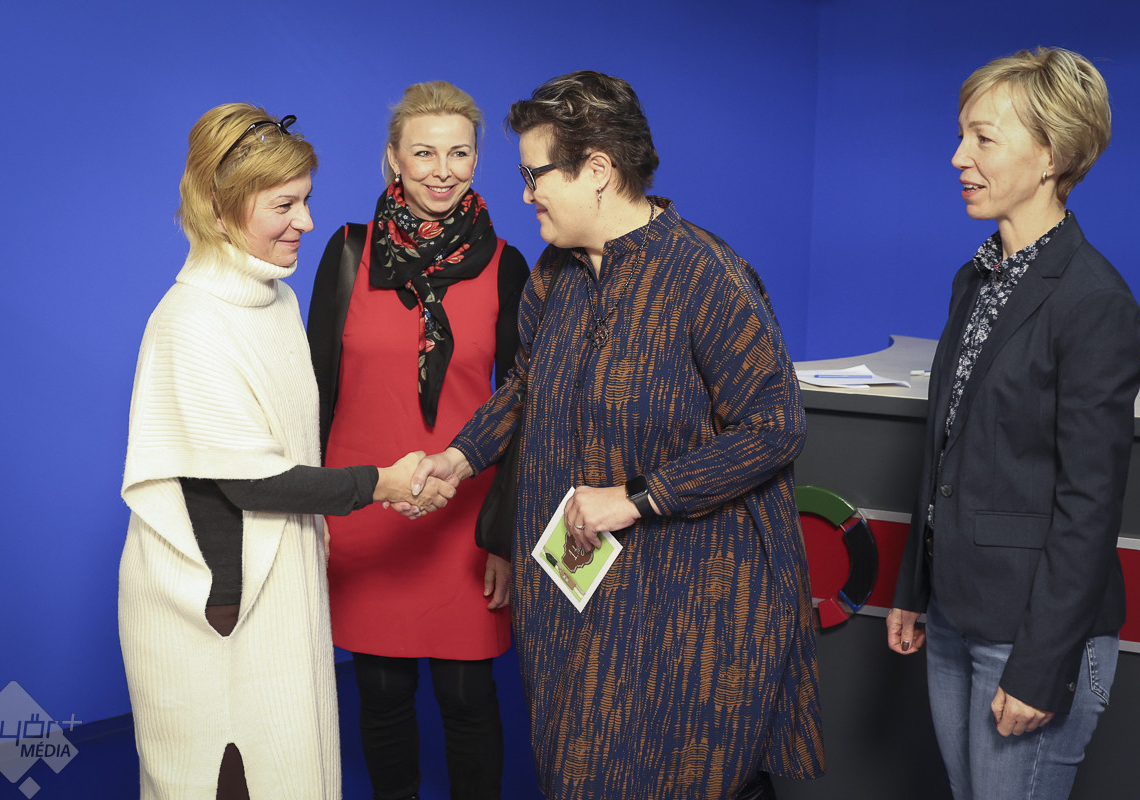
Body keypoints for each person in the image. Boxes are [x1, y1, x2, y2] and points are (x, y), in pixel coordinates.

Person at [411, 70, 825, 800]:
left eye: (535, 175)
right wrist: (461, 455)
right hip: (574, 591)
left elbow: (774, 426)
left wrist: (637, 496)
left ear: (597, 170)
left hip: (688, 604)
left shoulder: (705, 276)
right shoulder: (556, 272)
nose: (526, 194)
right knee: (576, 769)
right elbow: (525, 384)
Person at [119, 103, 453, 800]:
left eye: (306, 200)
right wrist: (380, 483)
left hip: (280, 583)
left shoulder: (272, 302)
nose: (306, 221)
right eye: (284, 205)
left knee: (291, 768)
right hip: (219, 608)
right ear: (221, 210)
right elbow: (252, 481)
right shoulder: (191, 322)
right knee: (227, 777)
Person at [887, 48, 1140, 800]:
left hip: (1034, 637)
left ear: (1051, 157)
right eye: (961, 135)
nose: (958, 157)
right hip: (955, 613)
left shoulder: (1095, 302)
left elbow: (1090, 504)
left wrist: (1042, 666)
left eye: (983, 138)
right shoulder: (976, 279)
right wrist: (915, 586)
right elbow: (948, 448)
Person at [307, 81, 528, 800]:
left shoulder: (508, 265)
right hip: (364, 506)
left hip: (462, 515)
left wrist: (504, 536)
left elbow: (521, 409)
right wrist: (313, 509)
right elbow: (314, 392)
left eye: (459, 153)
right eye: (424, 152)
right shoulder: (347, 252)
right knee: (380, 692)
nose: (442, 170)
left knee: (469, 696)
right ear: (393, 159)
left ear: (477, 160)